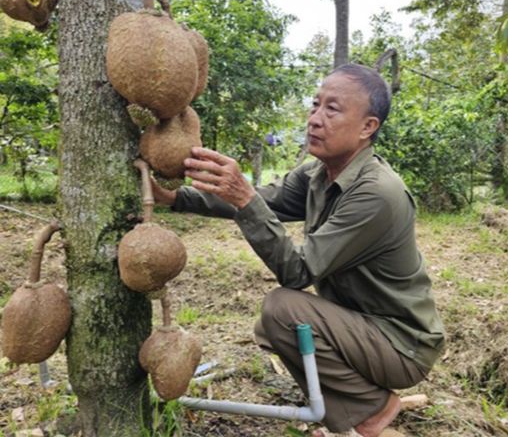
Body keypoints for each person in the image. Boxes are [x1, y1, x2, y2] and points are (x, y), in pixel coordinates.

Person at [151, 63, 445, 437]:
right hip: (361, 325)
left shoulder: (377, 193)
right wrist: (176, 197)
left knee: (283, 309)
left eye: (332, 109)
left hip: (401, 345)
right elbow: (263, 201)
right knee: (273, 327)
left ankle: (371, 409)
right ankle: (351, 409)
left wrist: (244, 198)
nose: (315, 119)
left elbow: (297, 272)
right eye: (314, 105)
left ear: (367, 127)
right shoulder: (318, 174)